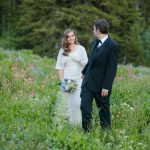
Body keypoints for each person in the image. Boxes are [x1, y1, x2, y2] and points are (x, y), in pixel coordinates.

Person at [80, 19, 119, 131]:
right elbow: (91, 61)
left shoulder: (113, 46)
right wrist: (84, 72)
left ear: (99, 30)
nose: (93, 31)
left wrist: (106, 87)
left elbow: (111, 69)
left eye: (94, 29)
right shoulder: (94, 43)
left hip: (102, 86)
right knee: (84, 107)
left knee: (103, 111)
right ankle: (87, 132)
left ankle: (106, 133)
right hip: (88, 83)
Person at [55, 29, 88, 126]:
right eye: (68, 37)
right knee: (66, 105)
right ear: (65, 39)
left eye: (72, 36)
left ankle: (77, 125)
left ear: (75, 36)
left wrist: (84, 79)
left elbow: (86, 65)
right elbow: (60, 67)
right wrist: (62, 82)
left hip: (79, 80)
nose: (71, 38)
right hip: (67, 81)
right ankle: (67, 126)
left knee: (78, 103)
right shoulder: (62, 51)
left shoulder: (81, 49)